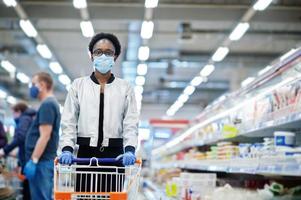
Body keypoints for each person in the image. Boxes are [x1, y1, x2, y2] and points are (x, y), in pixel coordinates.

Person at [59, 32, 139, 192]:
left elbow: (130, 123)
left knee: (111, 196)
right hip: (84, 155)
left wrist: (129, 149)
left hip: (115, 157)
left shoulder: (125, 88)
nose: (103, 56)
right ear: (91, 56)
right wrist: (67, 148)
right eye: (98, 52)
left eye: (108, 52)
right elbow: (69, 121)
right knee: (85, 196)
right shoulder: (78, 86)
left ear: (115, 57)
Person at [24, 72, 61, 200]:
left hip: (41, 162)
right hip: (43, 162)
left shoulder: (48, 104)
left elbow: (44, 136)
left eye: (33, 84)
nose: (31, 87)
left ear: (42, 85)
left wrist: (34, 160)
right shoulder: (49, 104)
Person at [0, 102, 36, 200]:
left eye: (13, 113)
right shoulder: (30, 118)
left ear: (19, 111)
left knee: (28, 189)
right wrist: (20, 163)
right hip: (29, 158)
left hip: (28, 159)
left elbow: (20, 137)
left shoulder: (24, 119)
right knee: (28, 187)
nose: (13, 116)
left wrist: (4, 150)